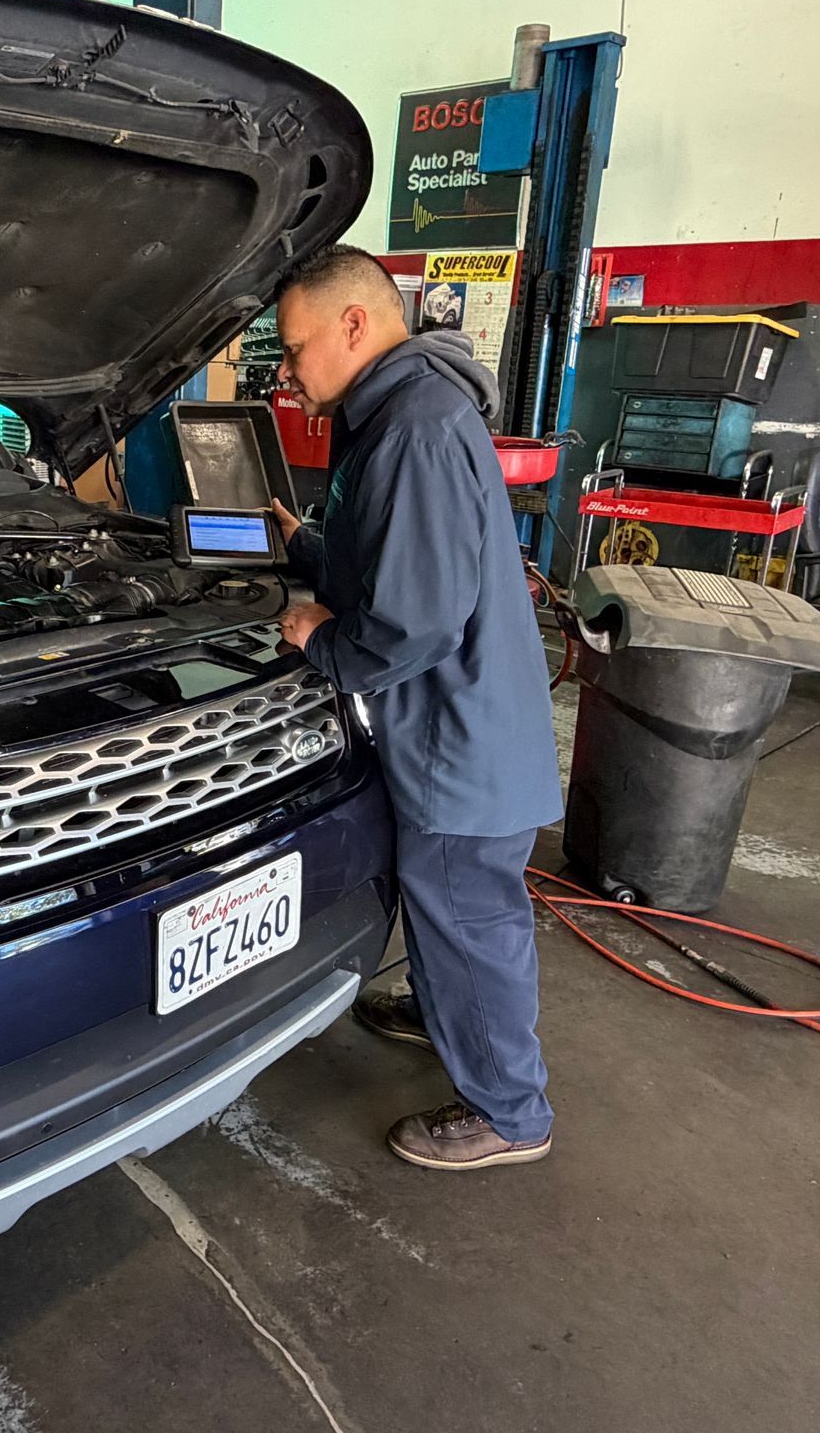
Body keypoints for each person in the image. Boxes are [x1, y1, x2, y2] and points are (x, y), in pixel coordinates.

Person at [271, 244, 563, 1171]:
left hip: (455, 738)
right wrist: (308, 545)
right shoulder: (406, 407)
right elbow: (396, 559)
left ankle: (510, 1114)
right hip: (465, 719)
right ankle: (448, 1011)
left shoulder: (415, 427)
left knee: (471, 917)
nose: (286, 372)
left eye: (294, 348)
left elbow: (414, 622)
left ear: (354, 325)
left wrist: (320, 640)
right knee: (453, 916)